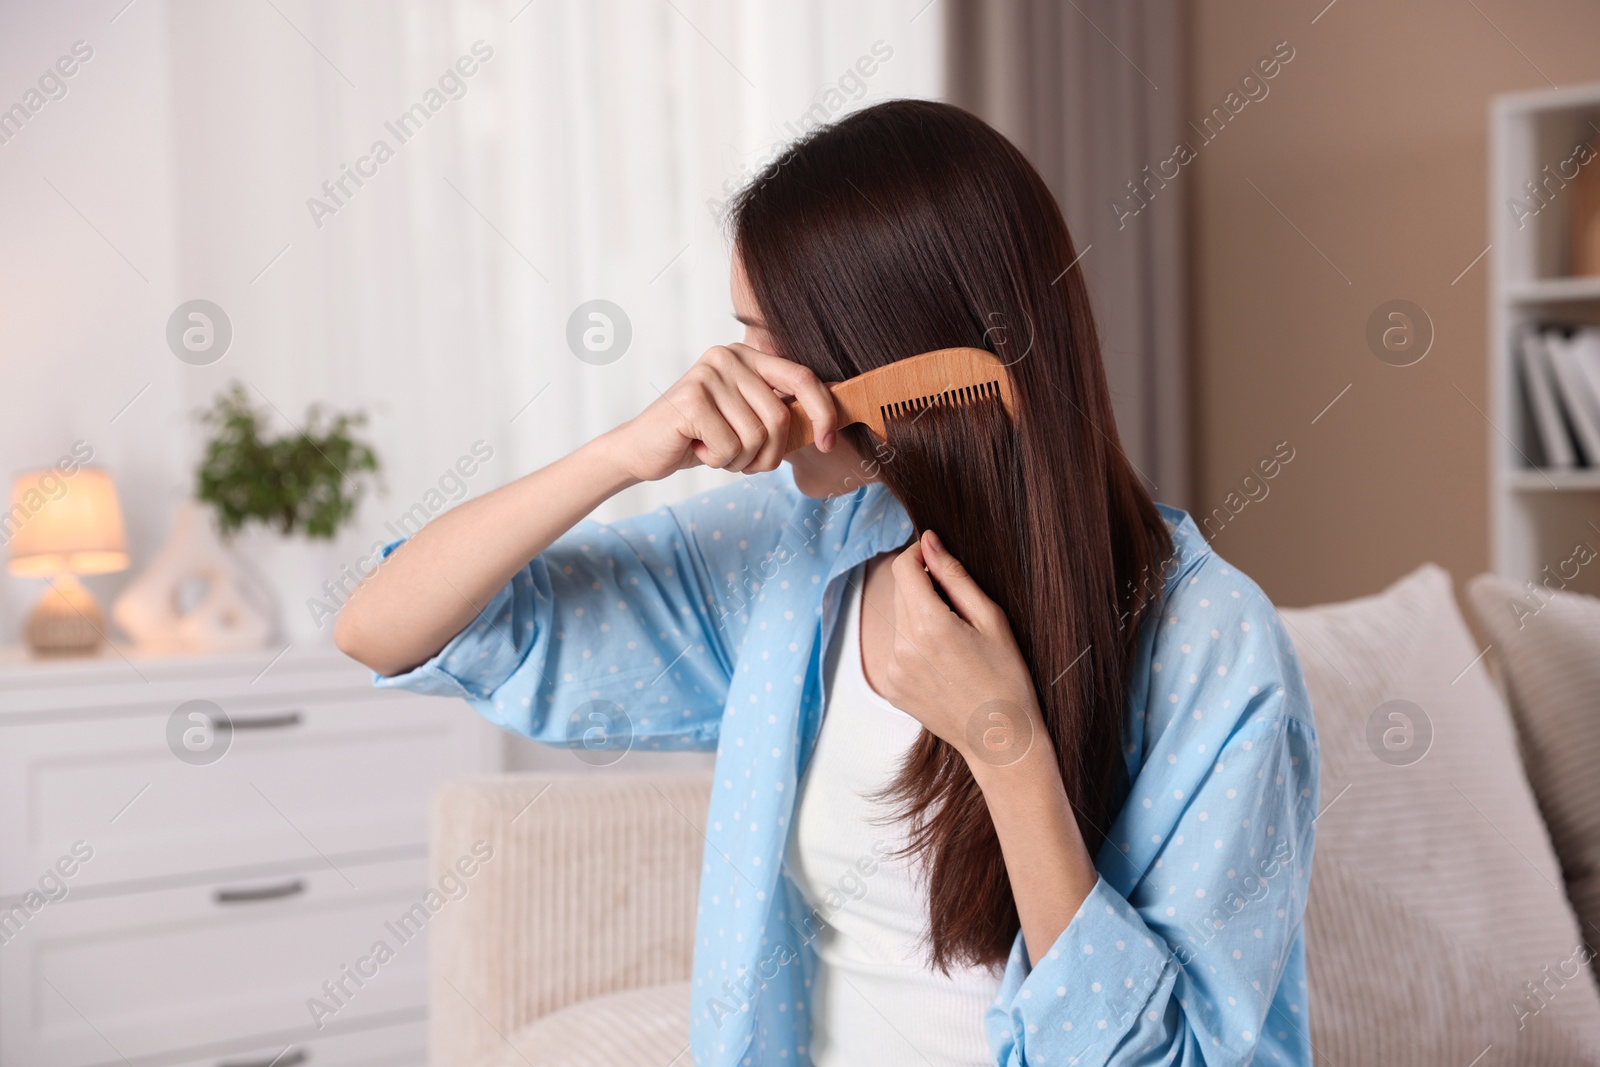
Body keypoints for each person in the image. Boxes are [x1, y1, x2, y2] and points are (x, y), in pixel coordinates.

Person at [337, 99, 1319, 1067]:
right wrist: (618, 457)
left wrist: (1002, 744)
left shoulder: (1209, 639)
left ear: (886, 354)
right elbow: (388, 627)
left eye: (768, 338)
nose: (739, 373)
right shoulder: (788, 556)